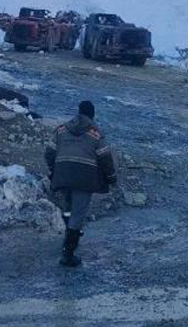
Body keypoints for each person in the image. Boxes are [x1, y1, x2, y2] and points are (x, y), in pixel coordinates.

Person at [44, 100, 116, 268]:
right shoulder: (96, 133)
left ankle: (69, 233)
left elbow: (49, 152)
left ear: (78, 112)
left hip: (63, 175)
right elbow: (105, 158)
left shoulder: (61, 129)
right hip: (84, 178)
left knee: (68, 209)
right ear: (92, 115)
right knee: (78, 213)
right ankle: (68, 254)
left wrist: (54, 170)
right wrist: (111, 177)